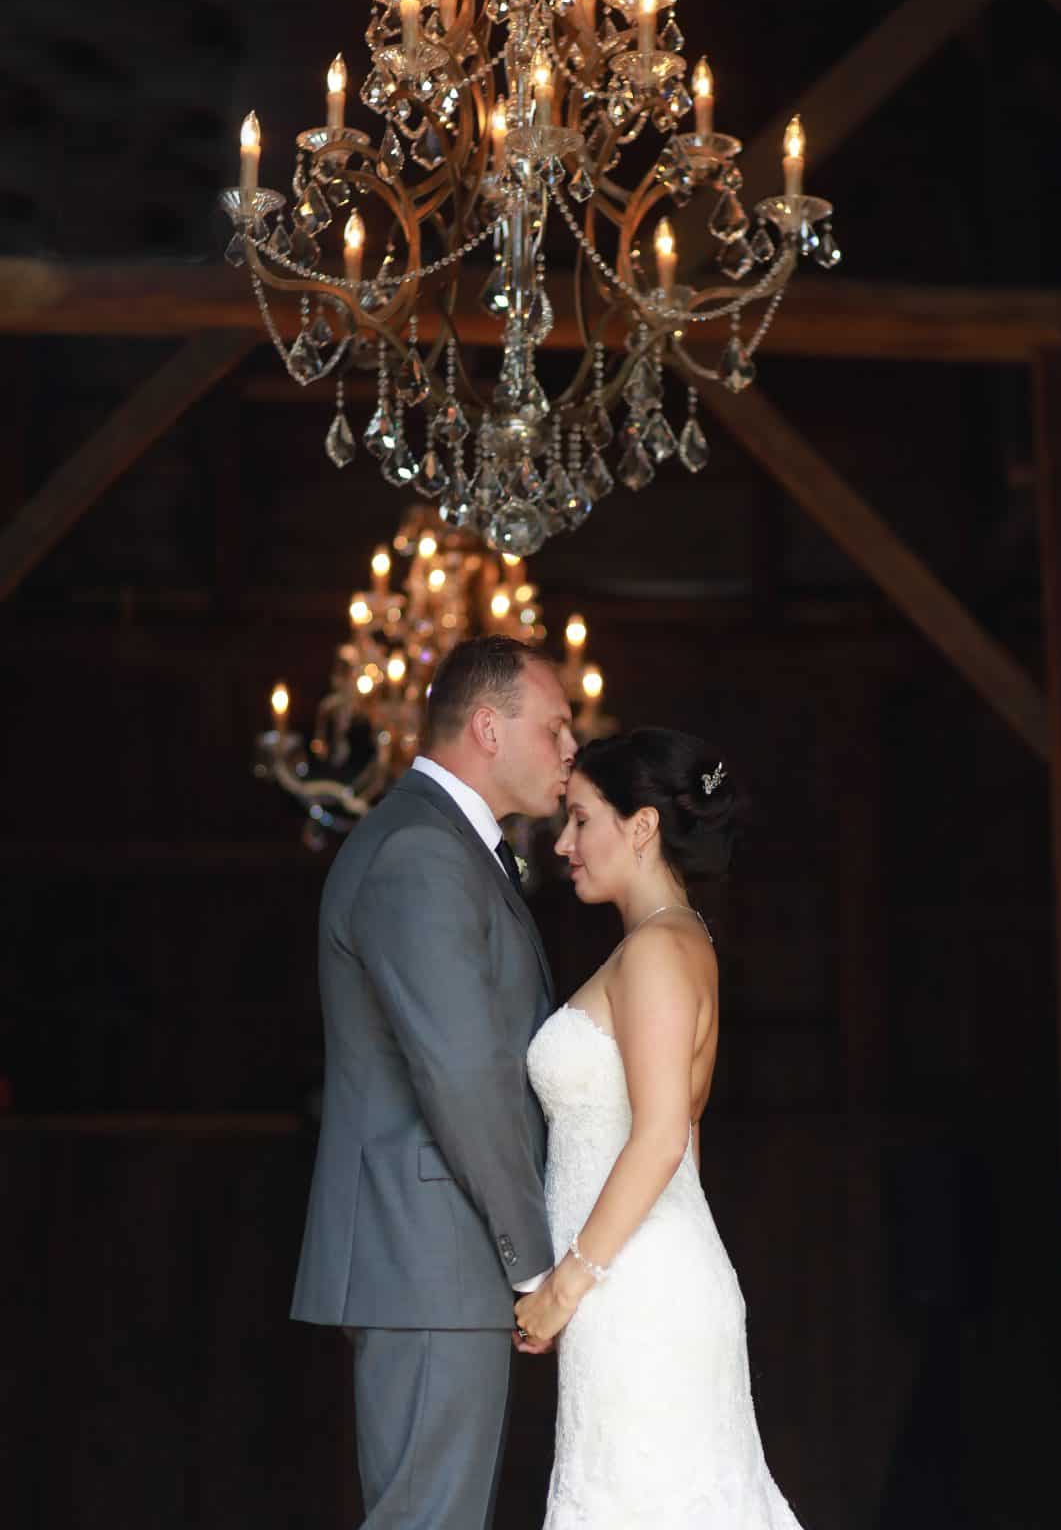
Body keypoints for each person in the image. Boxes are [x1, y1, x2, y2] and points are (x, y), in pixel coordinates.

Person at [291, 634, 577, 1530]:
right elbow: (460, 1072)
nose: (572, 749)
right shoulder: (420, 849)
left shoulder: (446, 843)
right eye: (556, 727)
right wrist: (532, 1261)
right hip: (429, 1254)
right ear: (488, 728)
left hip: (436, 1257)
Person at [516, 727, 807, 1529]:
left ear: (640, 826)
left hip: (628, 1284)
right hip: (636, 1277)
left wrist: (564, 1288)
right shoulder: (669, 945)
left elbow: (661, 1138)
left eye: (580, 819)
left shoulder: (656, 953)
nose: (564, 843)